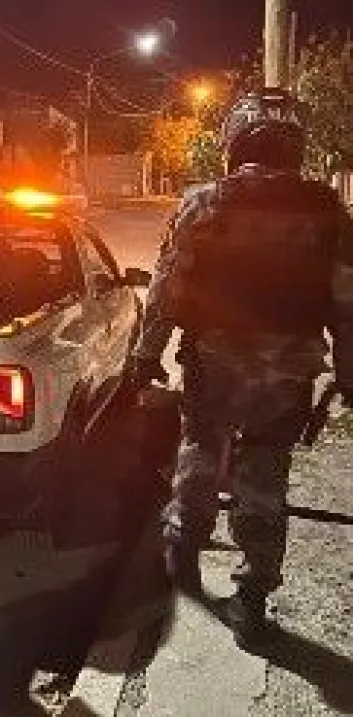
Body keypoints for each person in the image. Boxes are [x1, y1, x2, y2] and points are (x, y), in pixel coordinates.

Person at [127, 88, 353, 651]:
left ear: (235, 141)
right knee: (265, 478)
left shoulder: (206, 201)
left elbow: (167, 288)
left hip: (216, 362)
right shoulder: (329, 211)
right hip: (290, 371)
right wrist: (348, 373)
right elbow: (348, 303)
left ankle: (183, 565)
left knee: (200, 458)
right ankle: (252, 601)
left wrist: (144, 354)